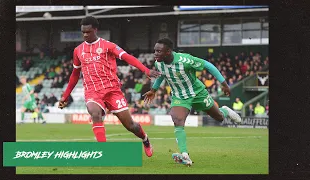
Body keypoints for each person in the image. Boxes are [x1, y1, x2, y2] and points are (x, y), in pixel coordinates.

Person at [58, 16, 160, 157]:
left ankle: (145, 139)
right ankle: (104, 153)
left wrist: (146, 70)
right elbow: (75, 74)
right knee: (95, 113)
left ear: (95, 30)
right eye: (83, 32)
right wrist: (65, 95)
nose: (85, 35)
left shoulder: (108, 46)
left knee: (131, 125)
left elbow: (127, 57)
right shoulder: (78, 50)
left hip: (113, 91)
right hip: (92, 91)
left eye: (88, 32)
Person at [143, 38, 242, 166]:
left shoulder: (185, 60)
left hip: (197, 93)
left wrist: (223, 83)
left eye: (159, 51)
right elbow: (162, 75)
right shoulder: (159, 63)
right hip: (180, 96)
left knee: (219, 117)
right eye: (155, 50)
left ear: (168, 52)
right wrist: (154, 90)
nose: (155, 53)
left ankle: (225, 111)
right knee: (177, 119)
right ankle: (185, 154)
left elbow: (208, 65)